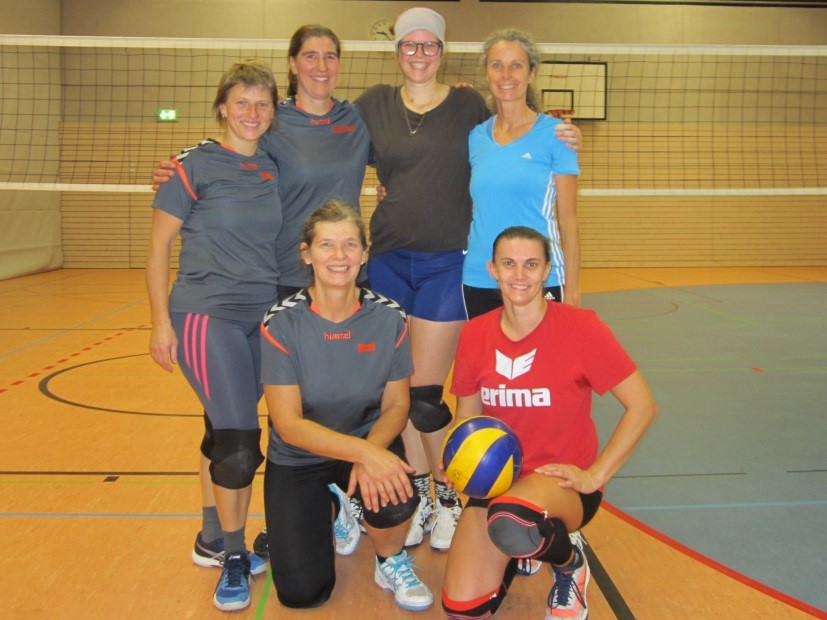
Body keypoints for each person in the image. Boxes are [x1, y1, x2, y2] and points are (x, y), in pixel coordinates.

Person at [151, 25, 372, 560]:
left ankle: (240, 527)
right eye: (309, 56)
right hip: (243, 299)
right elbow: (165, 235)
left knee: (259, 420)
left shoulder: (329, 133)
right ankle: (227, 542)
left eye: (330, 56)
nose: (253, 112)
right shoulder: (222, 152)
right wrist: (159, 323)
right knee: (237, 433)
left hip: (298, 297)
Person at [442, 227, 658, 619]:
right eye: (509, 264)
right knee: (463, 609)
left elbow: (642, 406)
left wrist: (595, 476)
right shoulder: (475, 333)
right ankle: (524, 543)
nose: (519, 275)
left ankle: (568, 563)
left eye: (531, 265)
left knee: (512, 520)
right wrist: (459, 464)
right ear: (492, 270)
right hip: (499, 480)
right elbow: (468, 417)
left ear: (546, 271)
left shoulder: (581, 327)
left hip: (563, 483)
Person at [146, 60, 281, 611]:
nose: (252, 112)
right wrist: (160, 322)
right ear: (223, 107)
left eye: (263, 103)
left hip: (264, 316)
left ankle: (208, 534)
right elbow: (158, 248)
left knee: (222, 426)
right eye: (241, 101)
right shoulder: (192, 165)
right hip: (206, 314)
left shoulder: (273, 164)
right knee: (240, 446)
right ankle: (232, 553)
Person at [260, 200, 433, 611]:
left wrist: (371, 453)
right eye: (326, 245)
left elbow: (397, 403)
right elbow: (289, 424)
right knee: (303, 594)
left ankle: (389, 560)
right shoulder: (281, 322)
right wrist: (366, 455)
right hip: (299, 456)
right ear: (306, 254)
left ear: (364, 254)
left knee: (395, 495)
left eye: (350, 244)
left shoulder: (389, 318)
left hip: (367, 436)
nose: (339, 256)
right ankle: (337, 503)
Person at [463, 28, 581, 321]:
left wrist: (573, 289)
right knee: (487, 352)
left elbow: (568, 219)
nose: (506, 75)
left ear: (531, 73)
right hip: (480, 275)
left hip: (538, 276)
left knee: (544, 353)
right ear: (487, 73)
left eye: (516, 65)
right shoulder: (476, 137)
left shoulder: (558, 135)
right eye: (497, 65)